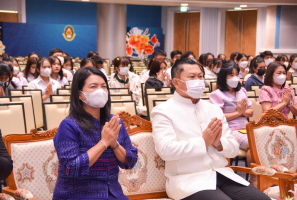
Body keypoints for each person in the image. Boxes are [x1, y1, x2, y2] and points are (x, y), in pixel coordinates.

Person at [151, 58, 269, 200]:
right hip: (188, 180)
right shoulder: (163, 111)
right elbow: (166, 150)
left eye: (200, 76)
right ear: (176, 82)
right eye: (192, 77)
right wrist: (204, 142)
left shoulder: (213, 109)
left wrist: (218, 144)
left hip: (222, 174)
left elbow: (232, 149)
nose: (199, 81)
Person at [53, 67, 137, 199]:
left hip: (113, 194)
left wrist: (114, 144)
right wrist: (104, 142)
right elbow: (72, 168)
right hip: (77, 195)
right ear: (80, 94)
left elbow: (131, 161)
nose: (100, 91)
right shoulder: (69, 125)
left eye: (104, 86)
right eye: (93, 86)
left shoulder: (113, 121)